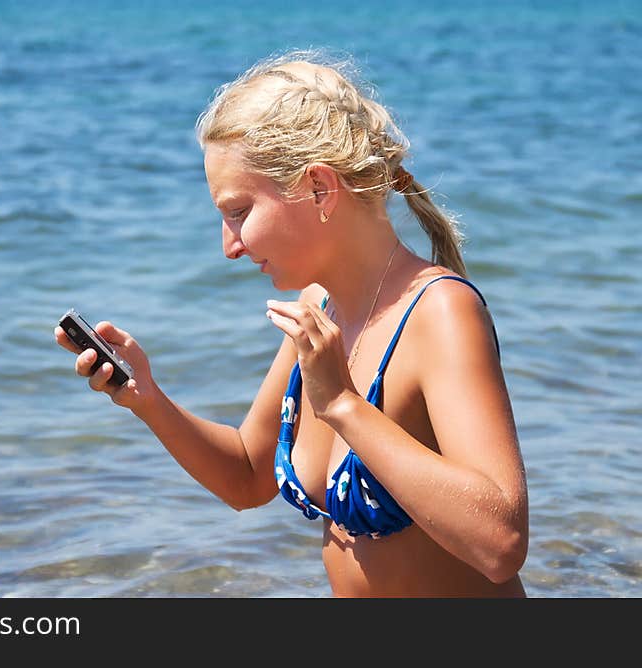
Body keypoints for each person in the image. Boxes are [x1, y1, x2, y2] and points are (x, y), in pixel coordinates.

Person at [54, 51, 528, 597]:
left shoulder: (439, 311)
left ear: (320, 189)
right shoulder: (321, 305)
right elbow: (248, 474)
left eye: (238, 212)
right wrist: (148, 399)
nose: (229, 247)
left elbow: (500, 543)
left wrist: (344, 408)